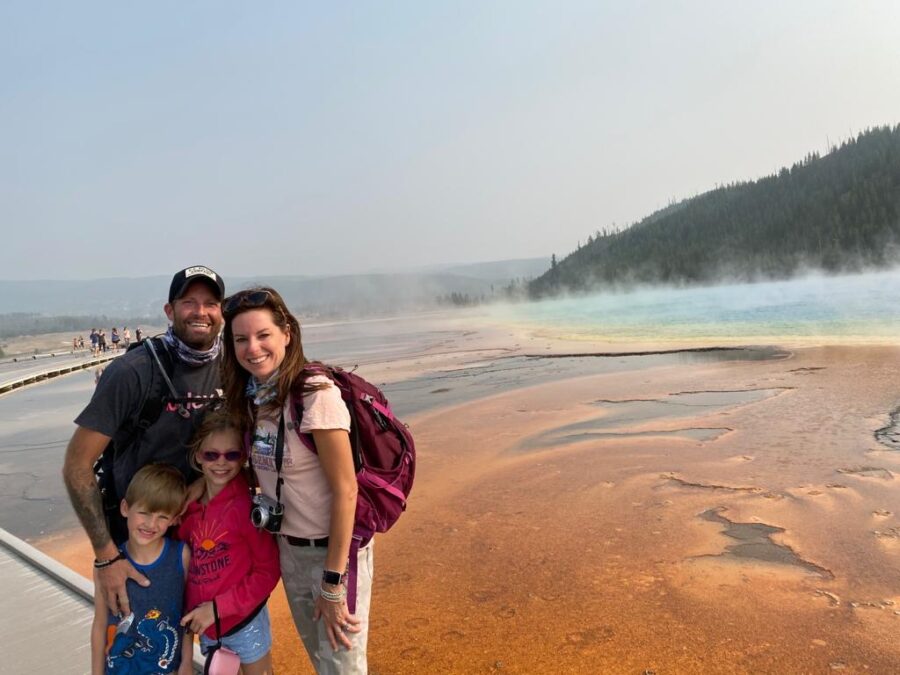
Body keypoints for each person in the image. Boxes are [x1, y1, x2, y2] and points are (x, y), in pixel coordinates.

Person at [221, 286, 371, 674]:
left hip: (333, 553)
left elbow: (346, 489)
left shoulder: (315, 394)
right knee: (323, 662)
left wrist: (333, 582)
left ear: (287, 333)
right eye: (241, 339)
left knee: (343, 667)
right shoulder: (255, 400)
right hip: (289, 550)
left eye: (263, 335)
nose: (252, 348)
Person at [63, 265, 226, 618]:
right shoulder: (133, 372)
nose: (201, 312)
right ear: (170, 311)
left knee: (205, 644)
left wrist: (201, 484)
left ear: (222, 312)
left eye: (211, 303)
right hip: (138, 546)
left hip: (203, 537)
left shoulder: (233, 367)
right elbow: (76, 465)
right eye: (189, 302)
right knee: (134, 647)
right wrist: (107, 557)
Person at [178, 410, 280, 675]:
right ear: (198, 455)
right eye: (211, 454)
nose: (221, 463)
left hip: (245, 623)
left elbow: (268, 571)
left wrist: (217, 608)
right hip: (207, 630)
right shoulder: (186, 511)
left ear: (243, 457)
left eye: (231, 455)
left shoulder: (247, 509)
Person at [90, 463, 193, 675]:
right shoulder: (106, 565)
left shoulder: (181, 556)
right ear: (125, 508)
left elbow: (187, 613)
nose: (151, 524)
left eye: (163, 517)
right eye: (144, 512)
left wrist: (187, 662)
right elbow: (99, 624)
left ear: (174, 520)